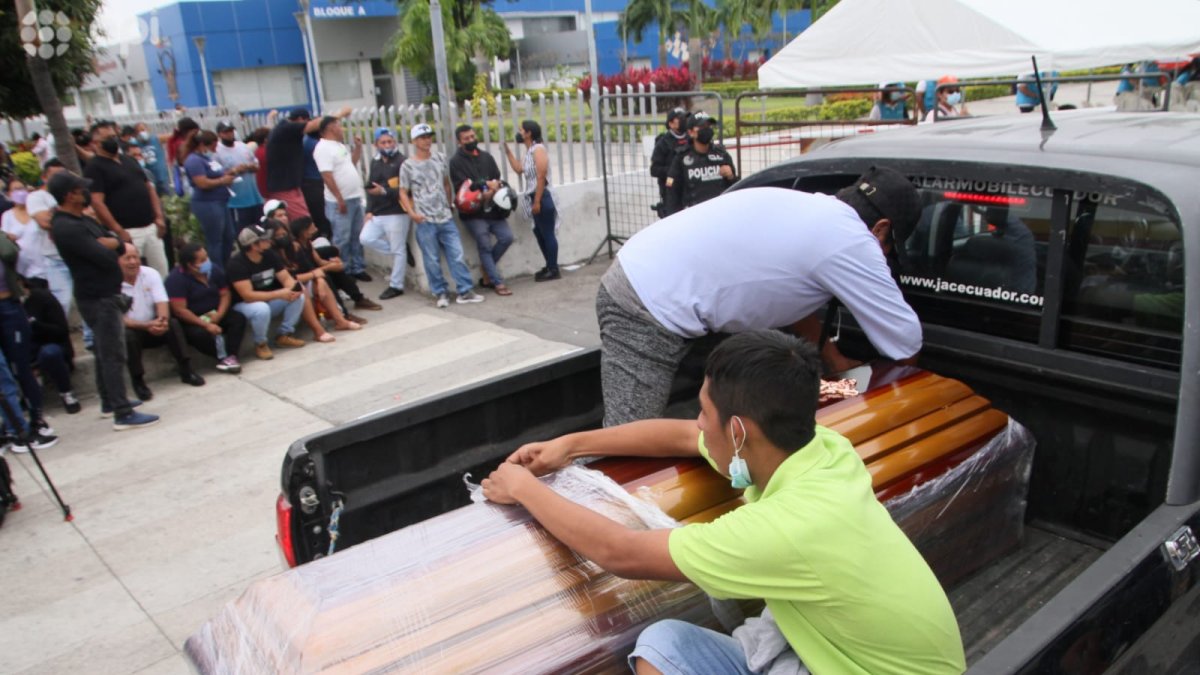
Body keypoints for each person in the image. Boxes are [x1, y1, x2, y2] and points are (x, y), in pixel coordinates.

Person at [480, 330, 966, 675]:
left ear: (738, 431)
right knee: (666, 646)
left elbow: (621, 553)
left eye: (705, 411)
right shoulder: (818, 449)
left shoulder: (785, 527)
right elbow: (686, 438)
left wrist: (523, 488)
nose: (698, 421)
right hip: (847, 655)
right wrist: (573, 445)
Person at [595, 166, 924, 427]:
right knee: (626, 440)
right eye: (889, 250)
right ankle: (569, 499)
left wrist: (835, 361)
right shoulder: (852, 239)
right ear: (881, 230)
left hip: (660, 281)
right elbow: (905, 343)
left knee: (730, 413)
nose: (883, 257)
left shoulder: (816, 211)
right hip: (645, 302)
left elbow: (790, 300)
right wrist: (902, 410)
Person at [48, 171, 159, 429]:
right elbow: (104, 253)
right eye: (79, 190)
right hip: (96, 297)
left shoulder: (79, 220)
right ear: (69, 195)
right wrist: (112, 245)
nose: (85, 193)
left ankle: (110, 401)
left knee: (104, 350)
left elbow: (113, 240)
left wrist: (112, 243)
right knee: (112, 353)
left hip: (106, 293)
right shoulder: (66, 227)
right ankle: (122, 412)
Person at [399, 123, 485, 308]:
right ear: (414, 141)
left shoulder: (439, 158)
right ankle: (440, 292)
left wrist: (448, 203)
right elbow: (403, 192)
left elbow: (446, 183)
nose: (427, 140)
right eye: (422, 138)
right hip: (424, 220)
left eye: (429, 136)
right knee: (431, 259)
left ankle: (465, 290)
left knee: (457, 254)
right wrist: (412, 213)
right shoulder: (408, 165)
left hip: (444, 216)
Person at [119, 242, 206, 400]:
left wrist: (162, 321)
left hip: (154, 324)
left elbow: (162, 302)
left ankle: (186, 370)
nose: (133, 262)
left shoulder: (150, 273)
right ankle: (138, 381)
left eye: (135, 257)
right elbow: (120, 319)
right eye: (127, 258)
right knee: (128, 336)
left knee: (172, 324)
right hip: (134, 329)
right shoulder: (111, 282)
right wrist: (146, 326)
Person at [84, 121, 170, 276]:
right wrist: (118, 231)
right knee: (132, 276)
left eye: (114, 136)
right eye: (107, 138)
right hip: (127, 231)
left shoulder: (129, 160)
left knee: (161, 274)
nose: (113, 140)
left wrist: (159, 217)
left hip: (150, 227)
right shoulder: (94, 167)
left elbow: (149, 189)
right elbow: (97, 202)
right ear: (95, 143)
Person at [0, 221, 54, 440]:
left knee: (21, 367)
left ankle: (35, 420)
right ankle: (16, 429)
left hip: (9, 308)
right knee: (2, 373)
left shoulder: (4, 240)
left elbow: (9, 251)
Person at [226, 223, 310, 359]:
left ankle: (284, 334)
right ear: (253, 245)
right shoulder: (236, 264)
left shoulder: (269, 254)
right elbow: (247, 296)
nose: (269, 241)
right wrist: (279, 294)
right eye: (264, 239)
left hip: (268, 298)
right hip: (244, 305)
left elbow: (285, 277)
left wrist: (293, 288)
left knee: (297, 297)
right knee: (261, 308)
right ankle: (260, 343)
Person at [449, 124, 514, 296]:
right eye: (466, 138)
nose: (471, 140)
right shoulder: (456, 162)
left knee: (506, 237)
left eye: (472, 137)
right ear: (459, 142)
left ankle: (487, 269)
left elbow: (497, 178)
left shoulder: (486, 157)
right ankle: (497, 282)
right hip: (473, 214)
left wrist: (493, 188)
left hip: (493, 209)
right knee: (484, 245)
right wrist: (485, 186)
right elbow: (464, 187)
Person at [271, 218, 363, 334]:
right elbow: (291, 279)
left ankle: (342, 318)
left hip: (306, 278)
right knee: (307, 285)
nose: (282, 238)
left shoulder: (295, 247)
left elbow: (313, 266)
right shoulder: (272, 256)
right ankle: (319, 330)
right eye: (278, 236)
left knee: (326, 278)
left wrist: (323, 274)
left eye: (284, 234)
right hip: (286, 287)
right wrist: (321, 271)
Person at [165, 243, 245, 374]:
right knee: (199, 335)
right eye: (202, 260)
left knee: (238, 319)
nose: (207, 262)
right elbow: (180, 310)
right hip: (193, 319)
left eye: (206, 257)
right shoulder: (175, 280)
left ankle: (232, 356)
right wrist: (206, 325)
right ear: (190, 265)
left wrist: (219, 314)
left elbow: (225, 293)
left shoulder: (213, 269)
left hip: (215, 312)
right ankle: (221, 357)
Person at [265, 107, 348, 221]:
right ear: (300, 119)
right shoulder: (287, 129)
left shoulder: (284, 130)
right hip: (285, 188)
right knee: (304, 222)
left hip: (291, 186)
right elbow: (316, 124)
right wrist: (340, 114)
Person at [313, 115, 369, 280]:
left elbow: (350, 164)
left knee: (356, 235)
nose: (342, 129)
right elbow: (327, 176)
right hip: (340, 201)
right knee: (342, 238)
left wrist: (358, 148)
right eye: (339, 125)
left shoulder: (338, 145)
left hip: (354, 197)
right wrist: (339, 199)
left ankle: (357, 268)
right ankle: (342, 270)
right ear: (331, 128)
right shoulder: (322, 148)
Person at [287, 216, 376, 320]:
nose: (315, 228)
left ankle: (358, 298)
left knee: (337, 271)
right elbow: (299, 275)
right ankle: (343, 314)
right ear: (303, 231)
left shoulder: (307, 243)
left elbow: (319, 261)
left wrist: (333, 264)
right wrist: (328, 268)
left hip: (314, 273)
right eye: (312, 226)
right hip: (305, 279)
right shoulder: (296, 248)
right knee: (327, 278)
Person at [503, 120, 560, 281]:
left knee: (547, 232)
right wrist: (507, 152)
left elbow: (541, 176)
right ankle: (549, 265)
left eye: (521, 130)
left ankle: (553, 268)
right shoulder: (529, 151)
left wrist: (537, 200)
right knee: (539, 232)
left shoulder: (538, 149)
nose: (519, 133)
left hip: (542, 196)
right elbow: (519, 169)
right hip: (534, 196)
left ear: (528, 133)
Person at [361, 127, 410, 300]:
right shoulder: (375, 162)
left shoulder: (402, 162)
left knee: (398, 250)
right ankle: (403, 251)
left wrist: (384, 192)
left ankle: (396, 285)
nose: (387, 145)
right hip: (378, 213)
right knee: (366, 238)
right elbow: (370, 186)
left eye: (390, 141)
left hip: (396, 211)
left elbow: (406, 189)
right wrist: (369, 210)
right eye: (383, 142)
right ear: (376, 144)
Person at [183, 130, 242, 266]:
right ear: (203, 145)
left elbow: (215, 174)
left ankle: (226, 264)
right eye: (213, 146)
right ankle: (217, 268)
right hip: (208, 204)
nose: (215, 149)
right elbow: (202, 182)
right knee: (215, 239)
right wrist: (223, 181)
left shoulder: (206, 159)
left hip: (221, 201)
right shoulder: (194, 160)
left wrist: (230, 173)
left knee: (229, 236)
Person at [23, 278, 80, 413]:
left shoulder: (42, 298)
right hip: (25, 353)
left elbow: (61, 331)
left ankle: (66, 392)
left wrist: (33, 324)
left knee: (50, 353)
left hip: (51, 346)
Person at [27, 160, 73, 320]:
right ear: (45, 177)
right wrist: (69, 216)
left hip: (77, 254)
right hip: (54, 259)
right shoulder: (36, 197)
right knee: (62, 302)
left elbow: (89, 215)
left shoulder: (73, 193)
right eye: (55, 176)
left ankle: (90, 340)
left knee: (87, 300)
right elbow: (44, 222)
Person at [663, 114, 737, 215]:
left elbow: (735, 187)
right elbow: (672, 191)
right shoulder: (681, 158)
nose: (707, 129)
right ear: (691, 132)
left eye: (709, 126)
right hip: (693, 215)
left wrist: (731, 176)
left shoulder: (721, 154)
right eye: (702, 127)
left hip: (720, 213)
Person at [215, 121, 264, 229]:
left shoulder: (242, 146)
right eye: (226, 132)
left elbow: (256, 165)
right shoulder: (217, 151)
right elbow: (217, 175)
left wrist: (250, 167)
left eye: (231, 131)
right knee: (242, 230)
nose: (230, 134)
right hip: (236, 201)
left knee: (260, 228)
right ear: (219, 134)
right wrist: (235, 170)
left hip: (255, 197)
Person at [1, 178, 48, 283]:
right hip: (24, 271)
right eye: (15, 190)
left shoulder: (37, 211)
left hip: (46, 265)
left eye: (22, 188)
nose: (20, 192)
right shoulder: (7, 216)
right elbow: (5, 239)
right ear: (9, 194)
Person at [649, 108, 691, 218]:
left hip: (690, 188)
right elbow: (654, 170)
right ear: (671, 124)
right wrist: (674, 171)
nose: (684, 121)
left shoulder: (690, 138)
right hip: (671, 192)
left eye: (685, 118)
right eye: (680, 118)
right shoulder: (663, 143)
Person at [132, 122, 170, 195]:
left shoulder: (156, 139)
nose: (141, 133)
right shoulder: (135, 143)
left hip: (161, 174)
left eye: (143, 130)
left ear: (148, 129)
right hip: (147, 176)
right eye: (138, 131)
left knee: (166, 194)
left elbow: (171, 136)